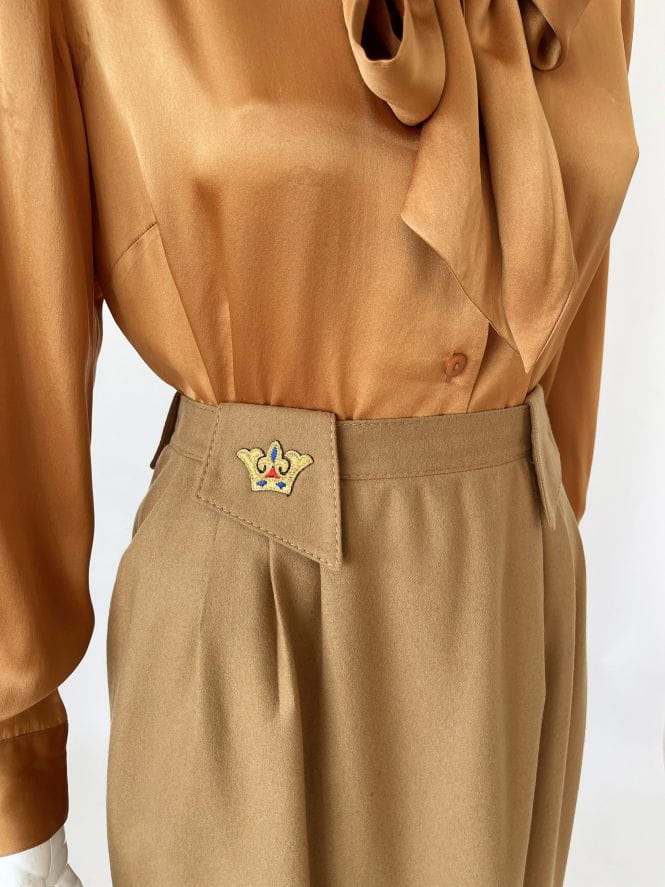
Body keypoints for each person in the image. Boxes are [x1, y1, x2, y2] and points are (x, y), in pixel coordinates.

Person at [0, 1, 638, 884]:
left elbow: (560, 274)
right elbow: (19, 317)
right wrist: (17, 774)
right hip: (259, 594)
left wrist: (541, 522)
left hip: (510, 611)